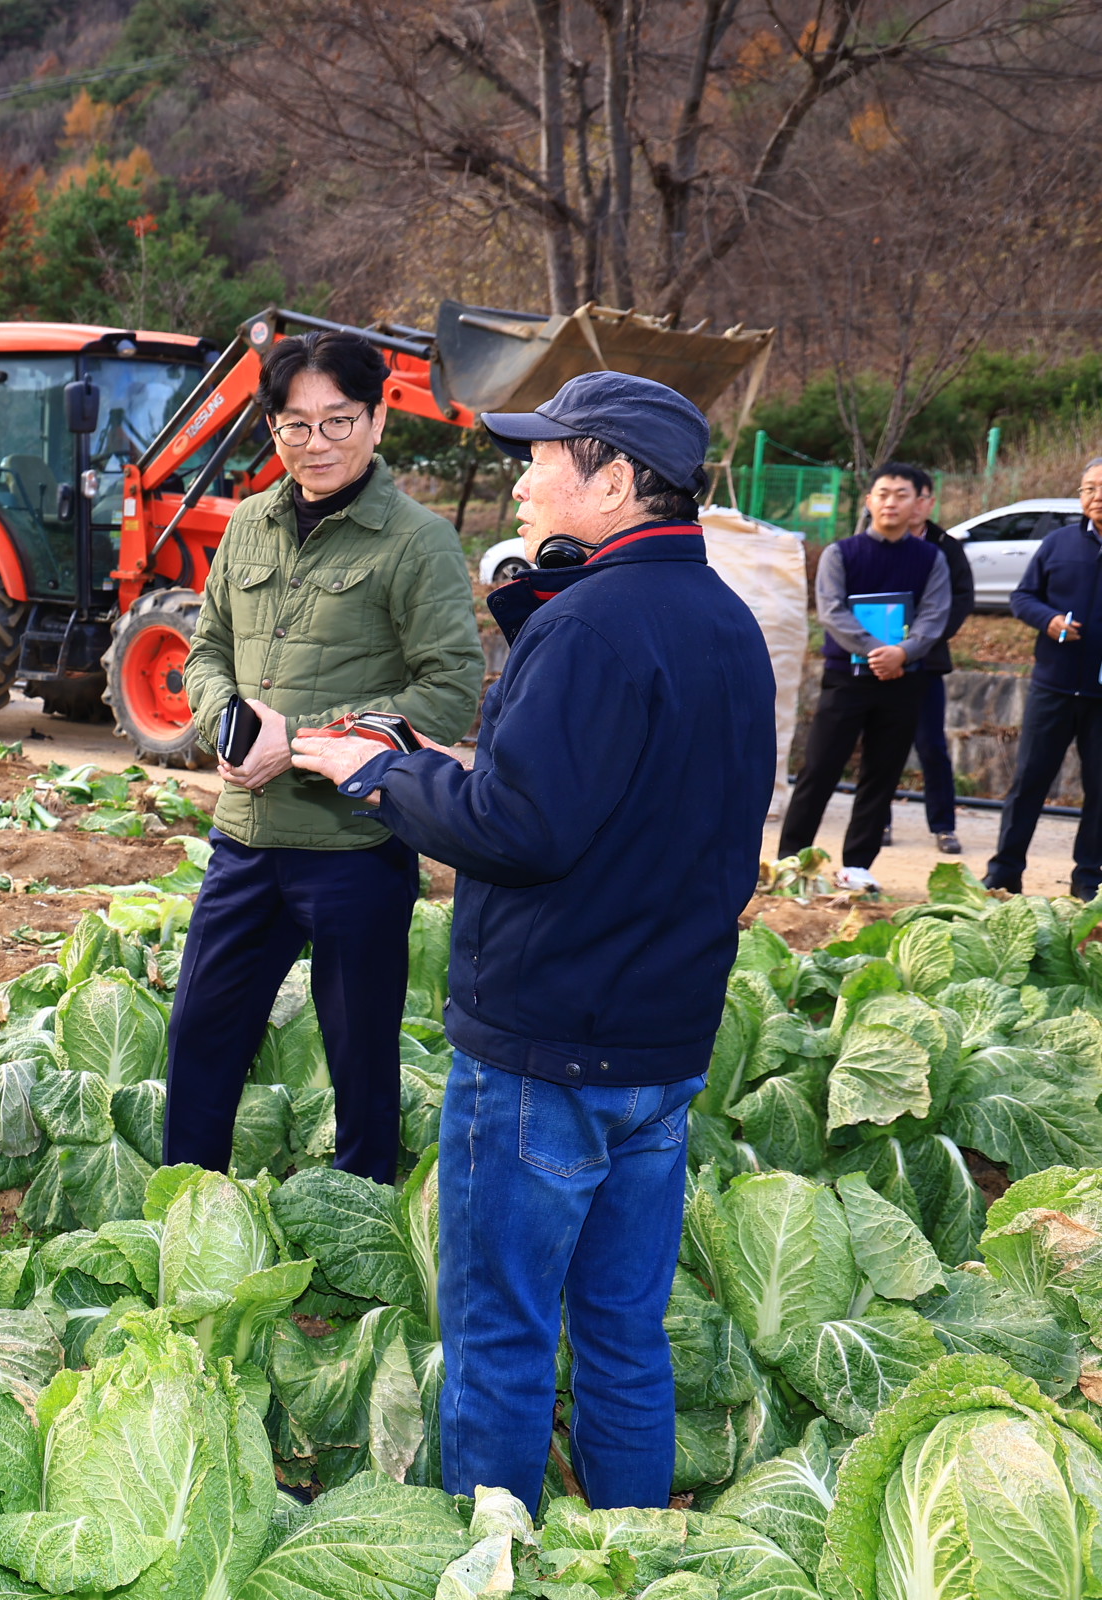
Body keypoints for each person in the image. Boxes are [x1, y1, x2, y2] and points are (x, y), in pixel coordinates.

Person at [294, 371, 773, 1513]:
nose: (519, 478)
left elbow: (518, 828)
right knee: (622, 1335)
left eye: (542, 456)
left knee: (501, 1338)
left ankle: (494, 1556)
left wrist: (379, 773)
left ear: (611, 481)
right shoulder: (726, 623)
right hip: (662, 1049)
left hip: (546, 1049)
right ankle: (631, 1554)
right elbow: (632, 796)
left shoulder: (591, 630)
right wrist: (519, 640)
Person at [167, 329, 484, 1184]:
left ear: (379, 420)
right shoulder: (247, 524)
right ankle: (187, 1205)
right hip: (245, 837)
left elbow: (451, 688)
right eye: (295, 425)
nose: (317, 443)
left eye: (338, 421)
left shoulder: (415, 541)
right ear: (272, 430)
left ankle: (360, 1206)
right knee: (200, 1032)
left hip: (355, 846)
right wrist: (227, 722)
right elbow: (205, 652)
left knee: (360, 1054)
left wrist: (300, 743)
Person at [773, 460, 955, 891]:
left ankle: (858, 864)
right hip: (846, 678)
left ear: (918, 504)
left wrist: (904, 653)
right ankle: (790, 859)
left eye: (902, 495)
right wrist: (879, 651)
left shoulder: (932, 559)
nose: (891, 502)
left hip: (903, 680)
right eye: (884, 493)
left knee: (882, 772)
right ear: (870, 500)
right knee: (819, 768)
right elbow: (831, 610)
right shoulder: (842, 553)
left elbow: (935, 615)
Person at [986, 455, 1102, 898]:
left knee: (1100, 792)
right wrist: (1049, 620)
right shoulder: (1058, 544)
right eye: (1088, 488)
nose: (1097, 496)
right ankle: (1004, 873)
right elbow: (1022, 597)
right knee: (1028, 783)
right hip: (1053, 686)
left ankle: (1089, 881)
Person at [888, 465, 973, 855]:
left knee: (931, 746)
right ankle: (879, 821)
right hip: (882, 660)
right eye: (907, 497)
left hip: (928, 662)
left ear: (928, 502)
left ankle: (943, 826)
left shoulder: (946, 546)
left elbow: (960, 601)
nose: (913, 506)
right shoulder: (880, 542)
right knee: (881, 744)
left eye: (919, 498)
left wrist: (923, 642)